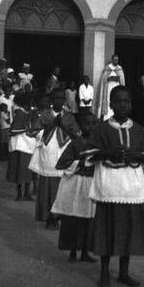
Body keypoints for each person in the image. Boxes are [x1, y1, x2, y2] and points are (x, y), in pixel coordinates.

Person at [84, 86, 144, 287]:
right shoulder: (102, 128)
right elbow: (89, 153)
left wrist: (136, 155)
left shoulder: (137, 129)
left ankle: (124, 273)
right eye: (118, 101)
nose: (122, 105)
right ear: (111, 104)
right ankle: (104, 273)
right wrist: (109, 152)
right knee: (107, 229)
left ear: (131, 104)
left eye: (126, 101)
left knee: (128, 230)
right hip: (109, 185)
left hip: (132, 187)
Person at [52, 112, 98, 262]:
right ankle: (72, 250)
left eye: (94, 124)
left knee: (88, 218)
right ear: (80, 126)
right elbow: (61, 163)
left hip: (91, 184)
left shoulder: (99, 144)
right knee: (74, 217)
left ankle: (85, 251)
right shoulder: (75, 143)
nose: (91, 127)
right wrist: (80, 163)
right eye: (87, 124)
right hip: (76, 183)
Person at [29, 99, 75, 227]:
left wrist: (63, 126)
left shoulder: (68, 116)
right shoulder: (45, 115)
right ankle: (46, 216)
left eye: (61, 98)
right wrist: (51, 125)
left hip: (62, 151)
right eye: (56, 97)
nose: (58, 101)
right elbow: (34, 131)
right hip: (48, 153)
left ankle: (57, 217)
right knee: (46, 185)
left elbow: (76, 133)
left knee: (61, 187)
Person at [7, 93, 36, 200]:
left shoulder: (23, 113)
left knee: (23, 171)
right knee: (23, 170)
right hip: (21, 145)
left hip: (24, 145)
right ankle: (22, 193)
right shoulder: (20, 114)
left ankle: (23, 193)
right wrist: (28, 129)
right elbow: (14, 129)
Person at [97, 55, 125, 121]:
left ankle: (116, 117)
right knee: (109, 100)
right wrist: (108, 79)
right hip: (108, 88)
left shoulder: (119, 68)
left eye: (117, 60)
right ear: (112, 60)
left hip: (117, 87)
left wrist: (118, 79)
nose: (116, 61)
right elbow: (104, 79)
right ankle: (107, 117)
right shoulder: (107, 68)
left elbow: (122, 80)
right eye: (115, 59)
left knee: (117, 100)